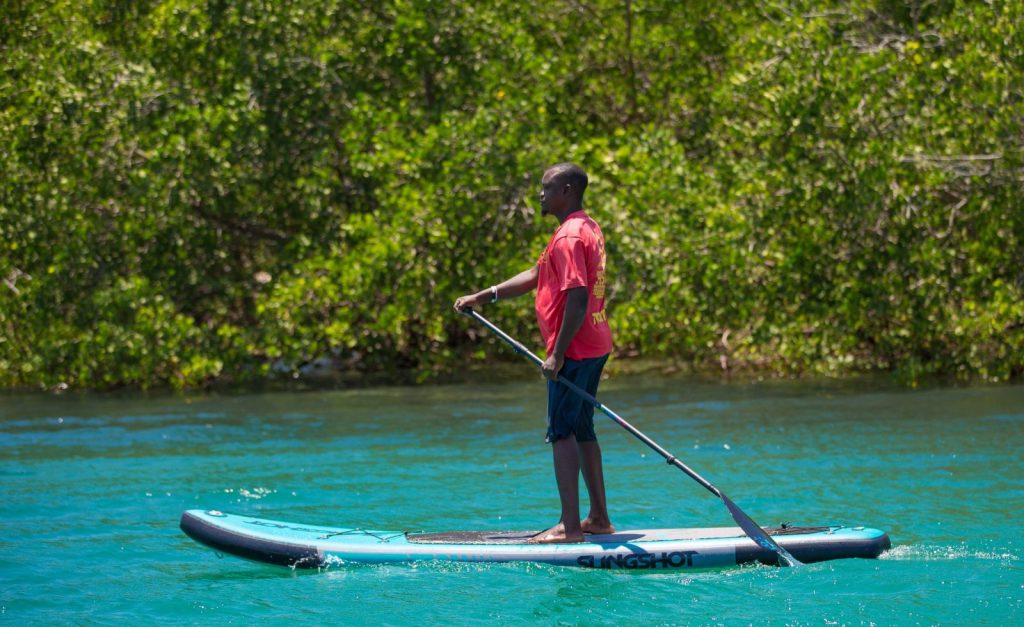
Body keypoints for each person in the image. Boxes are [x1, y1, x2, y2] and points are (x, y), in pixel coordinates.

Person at [453, 162, 614, 544]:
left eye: (547, 188)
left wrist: (556, 354)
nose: (540, 195)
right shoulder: (583, 227)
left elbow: (576, 299)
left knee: (561, 433)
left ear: (568, 190)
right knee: (581, 428)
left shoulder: (570, 237)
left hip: (574, 349)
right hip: (595, 342)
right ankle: (599, 519)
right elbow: (538, 274)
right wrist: (485, 295)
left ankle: (569, 528)